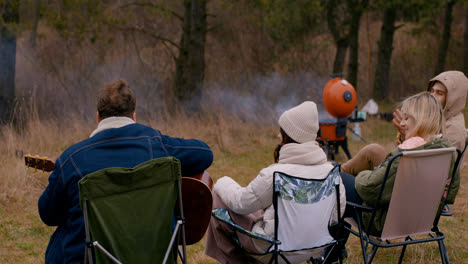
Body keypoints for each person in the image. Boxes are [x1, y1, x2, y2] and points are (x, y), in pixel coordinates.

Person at [38, 79, 213, 263]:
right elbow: (205, 154)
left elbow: (48, 214)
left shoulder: (72, 159)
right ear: (133, 116)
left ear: (98, 117)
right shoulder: (156, 145)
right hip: (154, 257)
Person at [204, 101, 346, 264]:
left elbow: (241, 204)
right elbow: (336, 216)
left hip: (275, 248)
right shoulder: (332, 173)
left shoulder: (276, 174)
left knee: (218, 197)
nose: (278, 135)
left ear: (290, 136)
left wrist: (222, 181)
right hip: (315, 246)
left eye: (282, 131)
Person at [341, 92, 457, 235]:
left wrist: (365, 174)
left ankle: (333, 252)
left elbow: (369, 189)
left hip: (382, 222)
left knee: (339, 181)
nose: (402, 123)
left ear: (422, 119)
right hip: (422, 222)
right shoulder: (448, 152)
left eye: (407, 118)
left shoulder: (407, 154)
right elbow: (449, 195)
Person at [393, 71, 468, 152]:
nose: (433, 96)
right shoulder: (433, 121)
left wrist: (410, 137)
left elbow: (429, 161)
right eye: (432, 91)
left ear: (453, 99)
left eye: (440, 93)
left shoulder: (453, 131)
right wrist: (404, 135)